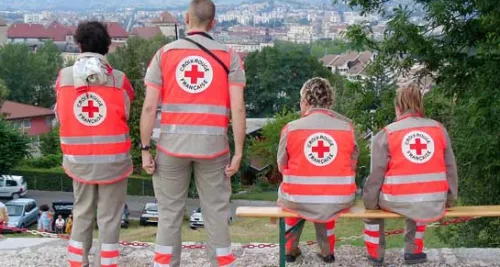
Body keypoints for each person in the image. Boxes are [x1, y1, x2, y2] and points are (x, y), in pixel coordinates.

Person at [140, 0, 246, 266]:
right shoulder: (229, 56)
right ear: (214, 23)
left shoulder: (164, 54)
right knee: (216, 213)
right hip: (214, 149)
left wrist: (144, 149)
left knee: (169, 214)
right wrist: (239, 152)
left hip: (171, 148)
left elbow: (150, 106)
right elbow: (238, 109)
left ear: (186, 19)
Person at [55, 21, 135, 267]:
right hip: (113, 162)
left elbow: (60, 114)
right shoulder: (119, 80)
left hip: (79, 161)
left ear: (79, 45)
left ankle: (78, 263)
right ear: (107, 47)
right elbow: (127, 113)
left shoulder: (64, 77)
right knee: (110, 219)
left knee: (82, 214)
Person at [363, 85, 458, 266]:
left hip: (394, 200)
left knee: (371, 209)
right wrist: (450, 198)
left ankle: (376, 255)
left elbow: (376, 176)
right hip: (433, 199)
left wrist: (370, 204)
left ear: (398, 106)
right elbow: (450, 168)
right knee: (420, 204)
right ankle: (413, 252)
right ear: (420, 104)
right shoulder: (439, 129)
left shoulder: (387, 133)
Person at [276, 78, 359, 263]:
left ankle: (290, 249)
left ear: (304, 101)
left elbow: (282, 166)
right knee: (326, 199)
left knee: (292, 195)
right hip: (338, 198)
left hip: (297, 198)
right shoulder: (347, 128)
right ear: (330, 102)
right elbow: (352, 165)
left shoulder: (291, 129)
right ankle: (326, 250)